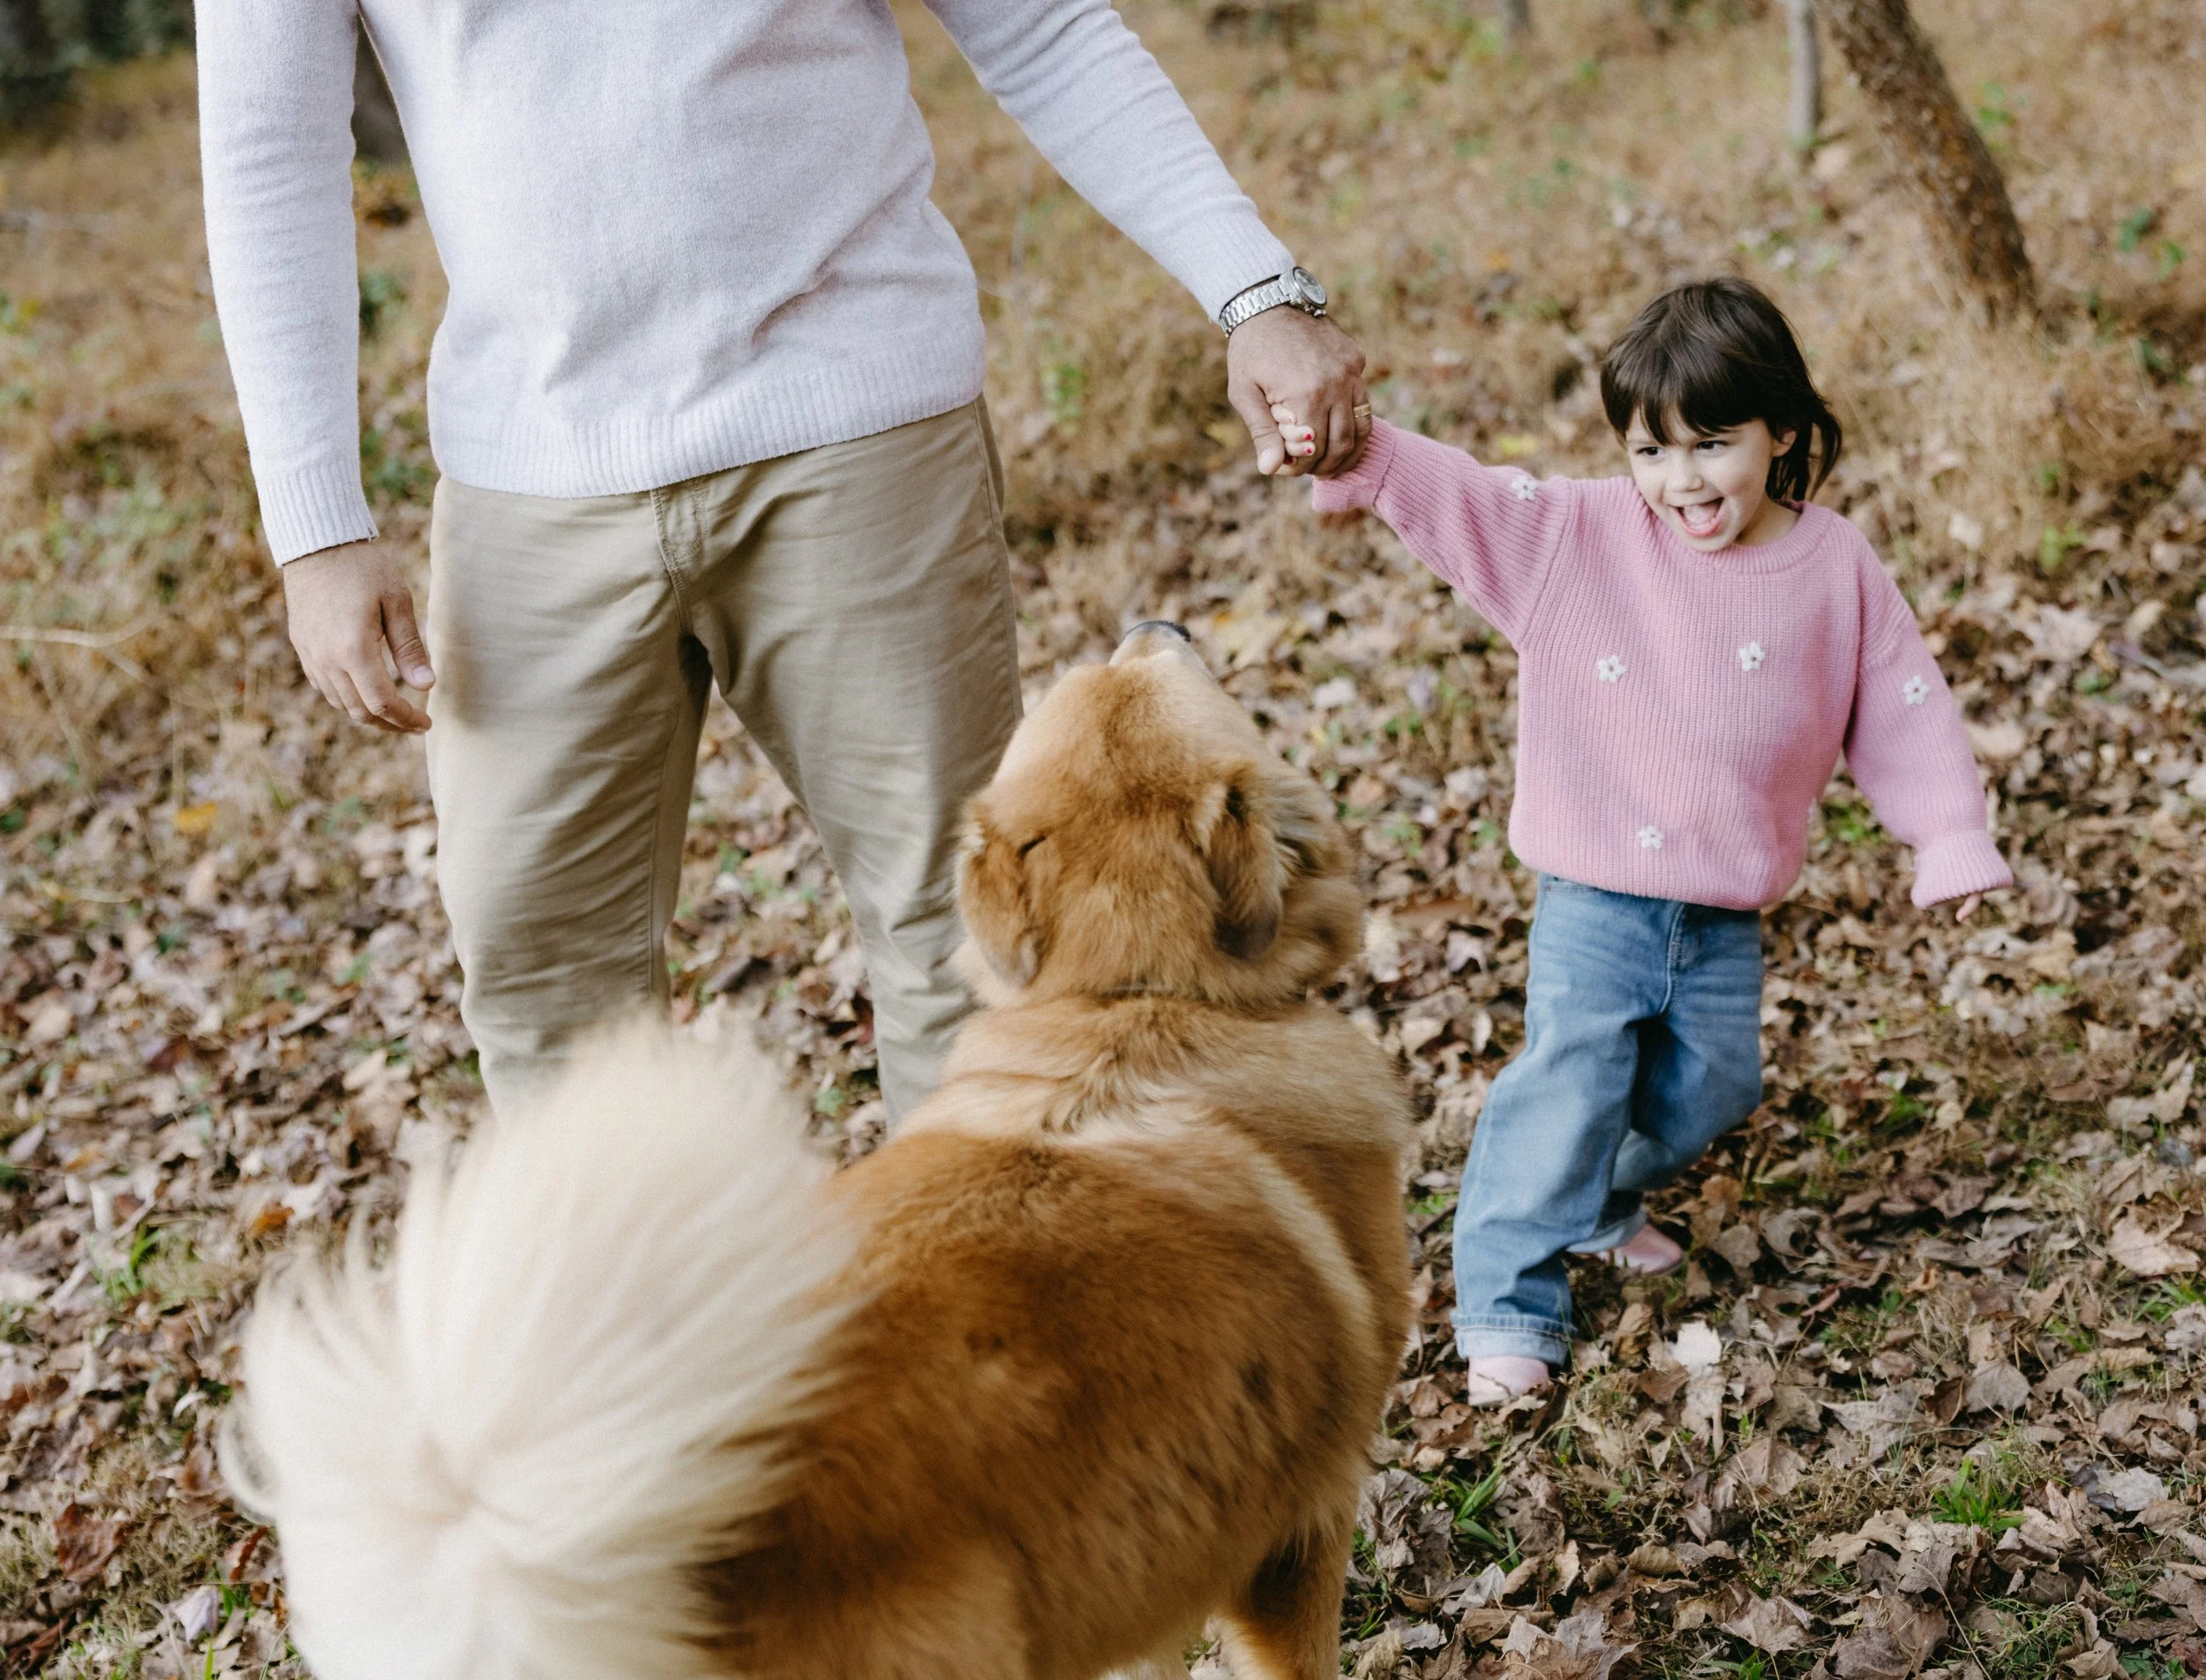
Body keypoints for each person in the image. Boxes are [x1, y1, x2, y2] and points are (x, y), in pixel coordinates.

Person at [197, 1, 1369, 1119]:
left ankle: (977, 1315)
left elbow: (1043, 23)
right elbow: (269, 143)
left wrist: (1254, 290)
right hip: (532, 474)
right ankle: (642, 1331)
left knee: (959, 935)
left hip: (857, 417)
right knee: (539, 974)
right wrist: (315, 527)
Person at [1302, 277, 2011, 1403]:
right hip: (1595, 896)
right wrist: (1370, 456)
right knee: (1570, 1082)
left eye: (1712, 444)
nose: (1680, 481)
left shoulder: (1834, 566)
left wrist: (1947, 832)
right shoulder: (1581, 539)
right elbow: (1474, 500)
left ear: (1782, 428)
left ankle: (1591, 1199)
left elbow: (1900, 698)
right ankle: (1505, 1296)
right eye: (1651, 450)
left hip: (1724, 903)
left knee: (1712, 1088)